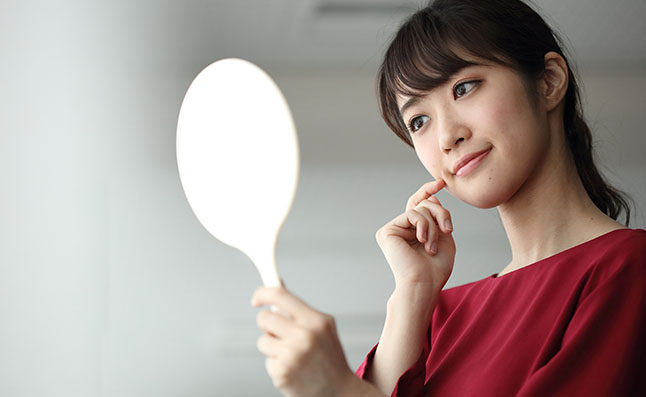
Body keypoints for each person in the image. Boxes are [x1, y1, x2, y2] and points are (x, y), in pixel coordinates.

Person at [251, 0, 645, 395]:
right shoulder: (439, 317)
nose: (446, 137)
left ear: (549, 81)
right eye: (419, 121)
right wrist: (414, 289)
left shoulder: (628, 268)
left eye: (464, 88)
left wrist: (338, 389)